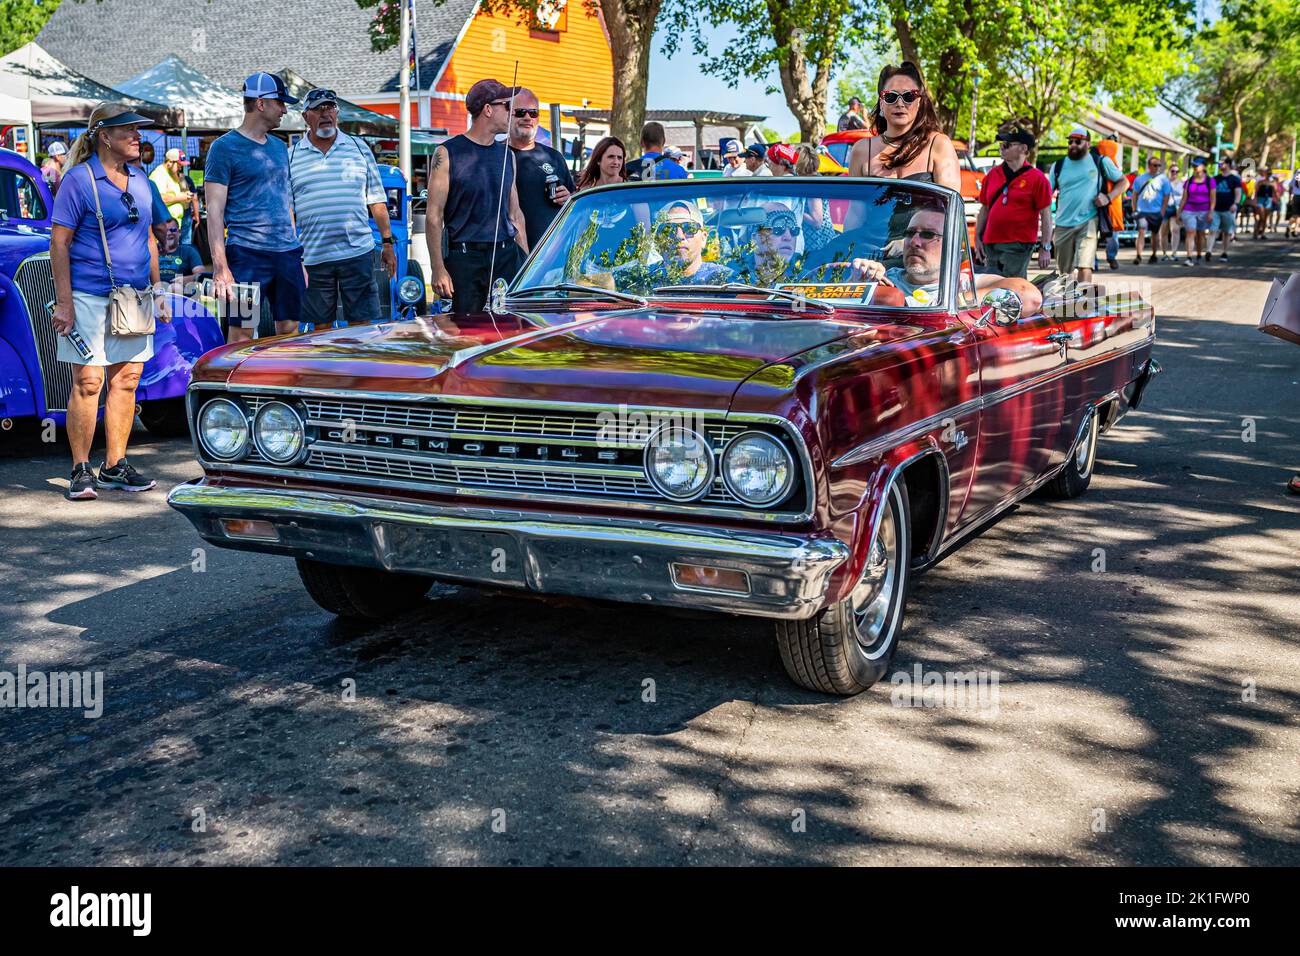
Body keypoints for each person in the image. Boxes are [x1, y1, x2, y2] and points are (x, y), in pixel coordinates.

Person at [48, 103, 171, 500]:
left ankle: (115, 464)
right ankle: (80, 469)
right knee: (89, 380)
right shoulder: (79, 180)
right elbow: (59, 243)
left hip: (134, 297)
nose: (138, 137)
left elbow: (150, 240)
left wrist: (159, 290)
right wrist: (64, 303)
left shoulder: (141, 179)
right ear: (104, 136)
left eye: (138, 130)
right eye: (128, 131)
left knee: (128, 379)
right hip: (87, 295)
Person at [205, 72, 306, 342]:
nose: (285, 109)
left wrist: (297, 254)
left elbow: (285, 201)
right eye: (280, 102)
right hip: (246, 254)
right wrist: (220, 267)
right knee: (241, 334)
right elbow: (214, 211)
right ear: (261, 104)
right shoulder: (223, 148)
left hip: (287, 254)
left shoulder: (278, 147)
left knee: (290, 332)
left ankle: (284, 383)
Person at [289, 87, 396, 331]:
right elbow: (288, 210)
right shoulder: (292, 155)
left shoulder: (358, 148)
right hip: (313, 256)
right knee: (320, 328)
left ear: (337, 113)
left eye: (331, 108)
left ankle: (359, 369)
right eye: (318, 109)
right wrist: (294, 254)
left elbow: (377, 199)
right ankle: (324, 369)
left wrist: (387, 242)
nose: (326, 114)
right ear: (306, 116)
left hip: (356, 252)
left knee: (361, 325)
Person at [425, 78, 530, 315]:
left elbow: (515, 214)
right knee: (465, 331)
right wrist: (437, 268)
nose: (512, 111)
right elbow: (433, 216)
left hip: (505, 255)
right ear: (488, 109)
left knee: (511, 327)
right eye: (506, 105)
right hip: (464, 259)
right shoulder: (447, 153)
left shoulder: (507, 155)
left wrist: (527, 263)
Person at [849, 205, 1042, 313]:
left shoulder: (962, 284)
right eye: (909, 233)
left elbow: (1030, 296)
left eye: (927, 235)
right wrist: (856, 284)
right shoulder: (883, 280)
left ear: (952, 248)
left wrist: (953, 302)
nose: (914, 242)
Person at [846, 61, 960, 192]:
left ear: (919, 102)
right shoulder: (862, 150)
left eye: (908, 96)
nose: (900, 103)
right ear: (881, 103)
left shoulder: (939, 145)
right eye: (890, 96)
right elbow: (855, 210)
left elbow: (951, 208)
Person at [1048, 126, 1126, 284]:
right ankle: (1068, 304)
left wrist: (1108, 197)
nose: (1073, 145)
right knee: (1065, 271)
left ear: (1088, 144)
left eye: (1078, 141)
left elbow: (1124, 182)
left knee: (1085, 265)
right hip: (1063, 223)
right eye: (1070, 142)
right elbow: (1046, 194)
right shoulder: (1058, 166)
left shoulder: (1100, 162)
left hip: (1089, 221)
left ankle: (1085, 304)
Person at [974, 126, 1053, 279]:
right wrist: (977, 238)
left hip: (1018, 245)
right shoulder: (992, 175)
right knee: (992, 287)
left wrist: (1045, 247)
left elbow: (1046, 215)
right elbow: (985, 209)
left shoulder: (1037, 178)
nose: (1002, 148)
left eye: (1007, 145)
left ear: (1023, 148)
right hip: (991, 244)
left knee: (1011, 287)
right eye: (1001, 144)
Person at [508, 88, 576, 250]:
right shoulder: (497, 155)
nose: (527, 117)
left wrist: (568, 198)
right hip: (509, 255)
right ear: (508, 115)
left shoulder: (555, 157)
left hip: (550, 255)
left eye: (533, 113)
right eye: (520, 112)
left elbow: (573, 201)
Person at [641, 201, 732, 286]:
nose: (679, 236)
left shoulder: (726, 280)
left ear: (703, 238)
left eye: (689, 228)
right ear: (657, 240)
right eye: (668, 229)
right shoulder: (642, 279)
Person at [1130, 156, 1172, 265]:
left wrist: (1162, 211)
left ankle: (1154, 254)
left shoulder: (1163, 179)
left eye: (1159, 165)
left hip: (1156, 211)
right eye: (1155, 165)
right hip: (1142, 210)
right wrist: (1134, 209)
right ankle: (1138, 255)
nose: (1157, 167)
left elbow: (1167, 196)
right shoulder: (1140, 178)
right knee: (1141, 232)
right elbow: (1134, 194)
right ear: (1149, 166)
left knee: (1155, 234)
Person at [1179, 157, 1216, 263]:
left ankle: (1199, 254)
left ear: (1203, 167)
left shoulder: (1210, 181)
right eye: (1193, 165)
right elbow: (1184, 198)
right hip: (1189, 209)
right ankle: (1189, 257)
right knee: (1190, 232)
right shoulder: (1189, 181)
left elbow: (1213, 199)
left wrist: (1211, 212)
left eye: (1197, 165)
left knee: (1201, 234)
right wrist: (1179, 212)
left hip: (1204, 210)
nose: (1194, 167)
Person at [149, 147, 192, 235]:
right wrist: (180, 197)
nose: (180, 168)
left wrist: (183, 195)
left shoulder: (171, 174)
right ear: (169, 162)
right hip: (164, 227)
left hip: (171, 226)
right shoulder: (159, 174)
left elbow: (171, 194)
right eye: (179, 165)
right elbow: (158, 199)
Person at [156, 219, 204, 289]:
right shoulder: (151, 250)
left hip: (178, 290)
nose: (168, 233)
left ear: (179, 232)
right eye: (164, 231)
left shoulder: (188, 251)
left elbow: (201, 274)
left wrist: (185, 279)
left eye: (172, 230)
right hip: (153, 290)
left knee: (176, 287)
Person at [1209, 158, 1242, 260]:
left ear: (1228, 164)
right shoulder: (1215, 179)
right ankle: (1208, 251)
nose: (1219, 165)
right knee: (1212, 230)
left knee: (1226, 232)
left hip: (1228, 209)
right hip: (1215, 209)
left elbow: (1238, 193)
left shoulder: (1234, 179)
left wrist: (1235, 204)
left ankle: (1224, 252)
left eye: (1221, 163)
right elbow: (1210, 194)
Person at [1160, 161, 1184, 262]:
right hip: (1165, 208)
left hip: (1176, 208)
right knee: (1163, 232)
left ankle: (1174, 252)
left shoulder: (1181, 184)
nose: (1175, 173)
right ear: (1169, 171)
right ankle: (1164, 253)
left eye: (1177, 171)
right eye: (1173, 171)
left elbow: (1184, 197)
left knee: (1175, 230)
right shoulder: (1163, 182)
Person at [1254, 168, 1277, 240]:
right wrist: (1255, 200)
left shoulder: (1273, 182)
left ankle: (1262, 233)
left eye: (1270, 173)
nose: (1269, 175)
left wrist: (1276, 199)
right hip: (1261, 199)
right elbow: (1256, 191)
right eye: (1268, 173)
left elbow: (1275, 192)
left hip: (1268, 200)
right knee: (1261, 217)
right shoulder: (1260, 182)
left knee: (1265, 218)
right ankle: (1256, 232)